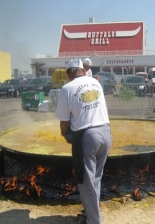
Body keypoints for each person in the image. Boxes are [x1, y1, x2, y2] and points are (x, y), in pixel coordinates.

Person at [55, 58, 112, 224]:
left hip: (88, 137)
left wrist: (65, 135)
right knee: (95, 179)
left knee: (85, 182)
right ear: (82, 70)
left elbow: (64, 122)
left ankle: (94, 221)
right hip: (106, 133)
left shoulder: (67, 88)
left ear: (70, 72)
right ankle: (90, 213)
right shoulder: (95, 82)